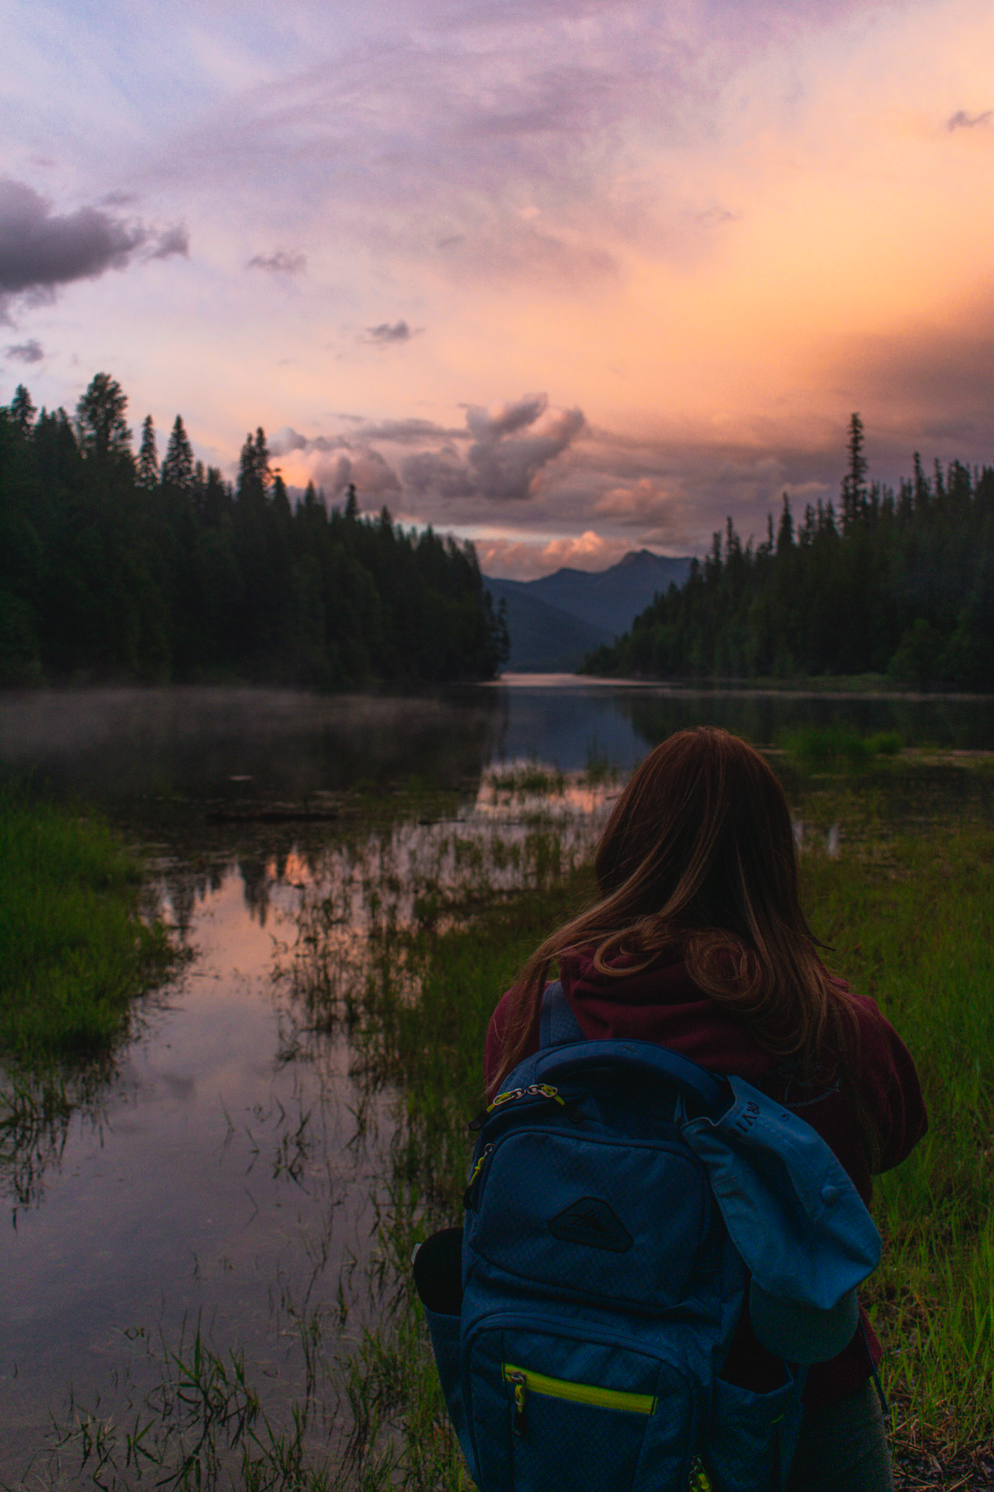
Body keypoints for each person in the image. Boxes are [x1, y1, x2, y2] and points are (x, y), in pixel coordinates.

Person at [484, 727, 927, 1492]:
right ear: (772, 863)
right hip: (797, 1393)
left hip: (594, 1389)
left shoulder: (531, 1018)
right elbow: (895, 1140)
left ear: (627, 845)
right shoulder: (842, 1036)